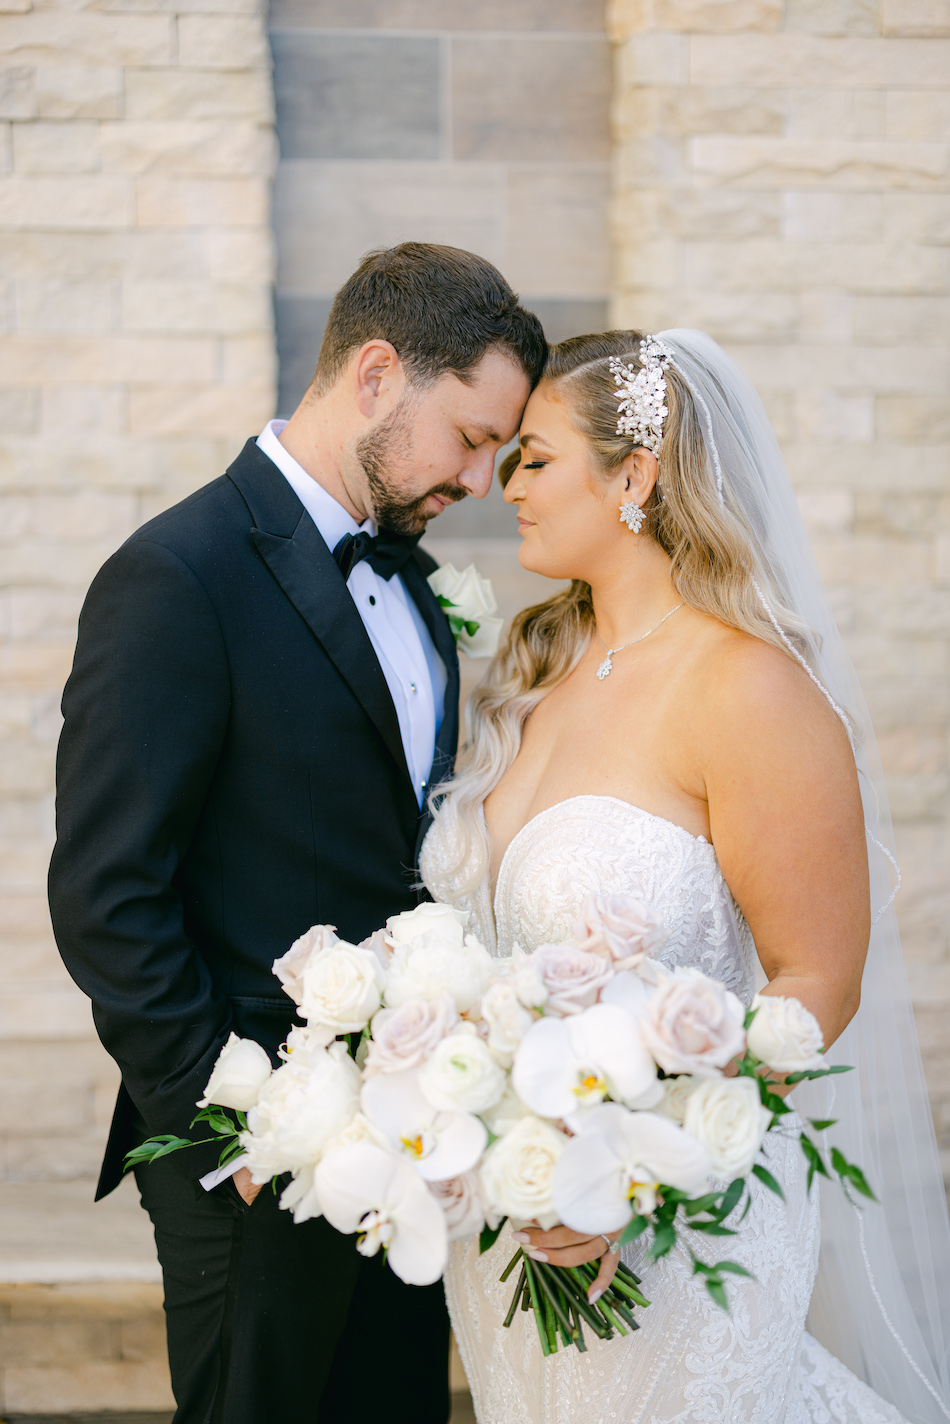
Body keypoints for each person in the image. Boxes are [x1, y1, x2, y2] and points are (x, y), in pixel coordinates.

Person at [48, 242, 546, 1424]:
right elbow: (109, 894)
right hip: (256, 1172)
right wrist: (238, 1134)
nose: (481, 479)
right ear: (376, 374)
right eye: (472, 437)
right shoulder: (176, 574)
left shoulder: (416, 583)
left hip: (410, 1160)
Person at [421, 330, 950, 1423]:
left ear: (633, 475)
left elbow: (816, 978)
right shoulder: (532, 676)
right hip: (522, 1231)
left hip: (674, 1221)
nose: (505, 485)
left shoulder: (746, 686)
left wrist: (629, 1172)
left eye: (534, 457)